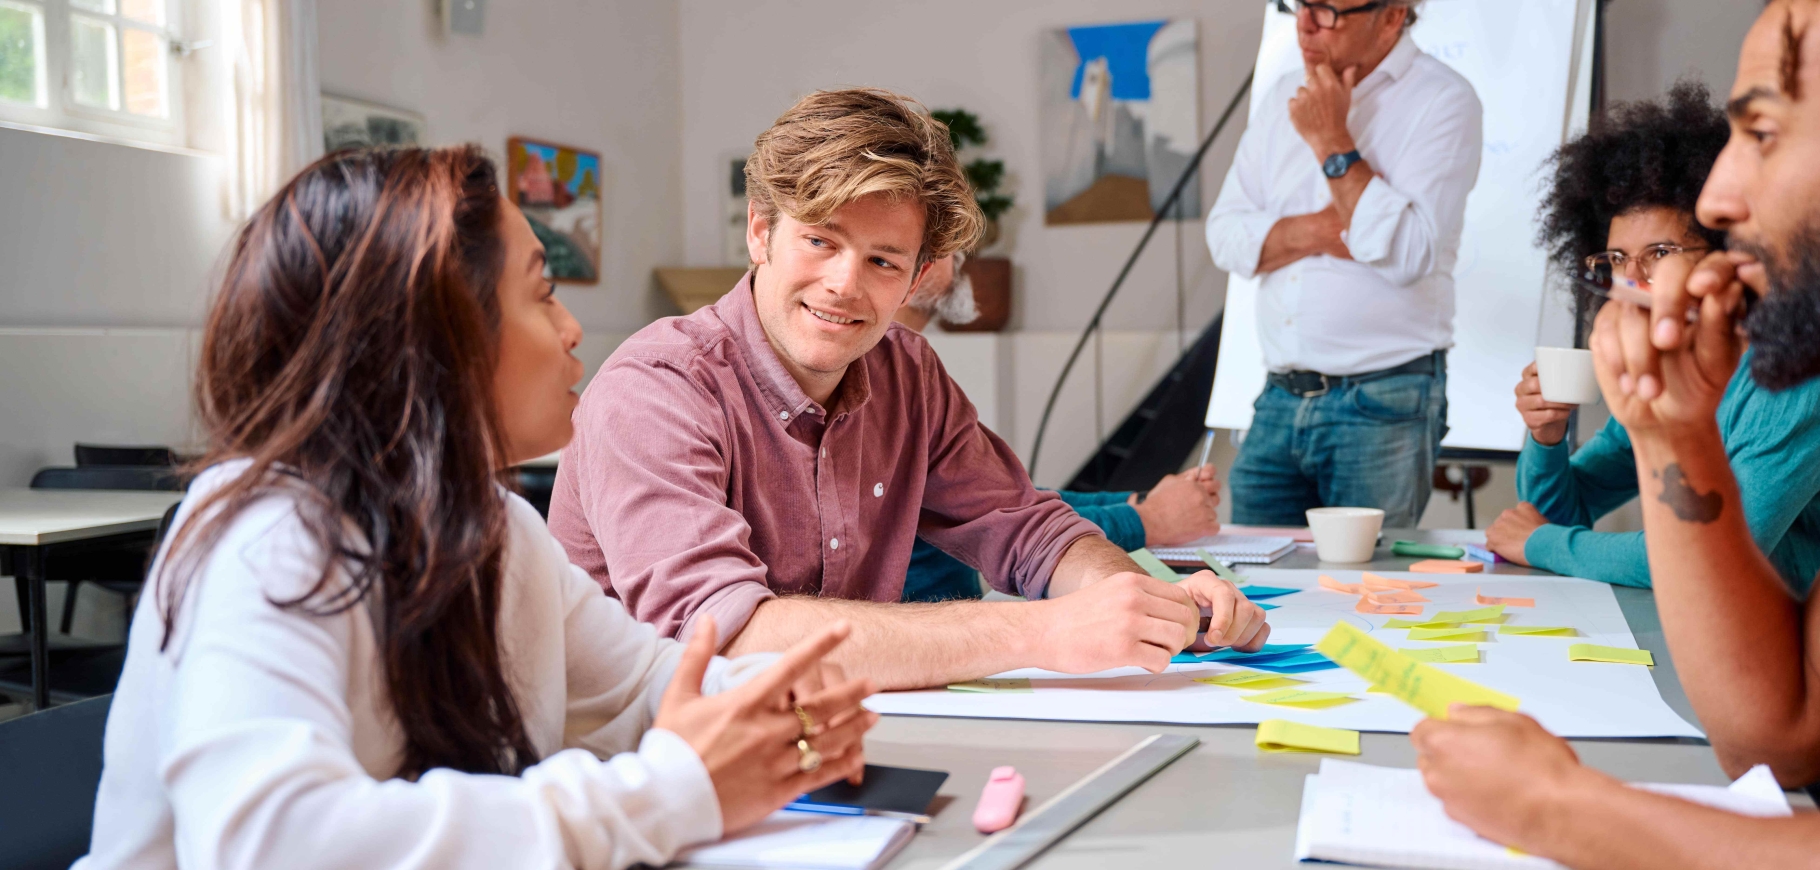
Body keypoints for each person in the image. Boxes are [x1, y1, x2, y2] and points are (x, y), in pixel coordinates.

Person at [77, 146, 878, 869]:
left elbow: (642, 685)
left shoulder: (496, 528)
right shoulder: (272, 531)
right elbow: (272, 842)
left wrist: (781, 704)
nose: (571, 331)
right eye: (545, 292)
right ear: (435, 332)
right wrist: (667, 793)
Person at [1415, 1, 1820, 862]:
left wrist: (1561, 809)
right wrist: (1665, 435)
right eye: (1616, 261)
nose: (1721, 201)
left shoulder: (1805, 388)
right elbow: (1779, 740)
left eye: (1763, 129)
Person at [548, 88, 1268, 692]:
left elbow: (1024, 526)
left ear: (918, 276)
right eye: (821, 241)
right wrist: (1041, 630)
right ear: (761, 232)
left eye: (883, 260)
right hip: (644, 776)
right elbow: (728, 637)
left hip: (826, 744)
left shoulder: (908, 372)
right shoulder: (657, 389)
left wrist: (1137, 600)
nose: (845, 284)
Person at [1484, 81, 1820, 592]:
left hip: (1816, 646)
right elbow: (1561, 512)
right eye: (1617, 259)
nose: (1632, 281)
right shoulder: (1672, 365)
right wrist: (1547, 436)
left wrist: (1542, 545)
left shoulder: (1799, 385)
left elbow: (1709, 559)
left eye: (1660, 252)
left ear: (1726, 250)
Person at [1206, 0, 1482, 528]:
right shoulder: (1282, 92)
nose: (1305, 24)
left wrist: (1330, 138)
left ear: (1393, 16)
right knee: (1255, 591)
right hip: (1279, 398)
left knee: (1369, 594)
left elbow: (1405, 251)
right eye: (1299, 5)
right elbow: (1224, 237)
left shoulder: (1443, 99)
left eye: (1328, 10)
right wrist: (1336, 227)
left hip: (1383, 402)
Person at [887, 255, 1223, 602]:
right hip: (924, 638)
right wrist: (1148, 519)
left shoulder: (917, 371)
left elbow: (1006, 500)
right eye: (946, 248)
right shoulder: (884, 384)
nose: (960, 257)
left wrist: (1138, 502)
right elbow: (1006, 521)